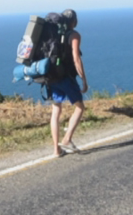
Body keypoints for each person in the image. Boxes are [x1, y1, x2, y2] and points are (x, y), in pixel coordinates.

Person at [50, 9, 88, 157]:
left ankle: (56, 150)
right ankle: (67, 140)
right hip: (66, 77)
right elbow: (76, 58)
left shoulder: (54, 34)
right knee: (79, 107)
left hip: (52, 76)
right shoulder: (74, 35)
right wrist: (84, 79)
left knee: (56, 111)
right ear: (74, 21)